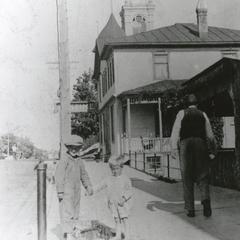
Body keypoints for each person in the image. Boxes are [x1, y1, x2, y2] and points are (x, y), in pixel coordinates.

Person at [170, 94, 217, 218]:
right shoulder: (203, 114)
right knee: (203, 175)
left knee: (187, 177)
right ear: (197, 104)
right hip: (200, 144)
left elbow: (175, 131)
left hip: (186, 145)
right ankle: (206, 201)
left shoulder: (181, 113)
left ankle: (190, 209)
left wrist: (174, 148)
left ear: (186, 104)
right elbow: (210, 134)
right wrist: (212, 150)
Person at [55, 137, 93, 240]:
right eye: (72, 147)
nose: (74, 150)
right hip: (66, 191)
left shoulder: (79, 160)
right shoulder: (64, 159)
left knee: (76, 210)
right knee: (67, 212)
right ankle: (67, 233)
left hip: (76, 190)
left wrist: (88, 185)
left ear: (80, 148)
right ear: (68, 147)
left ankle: (73, 229)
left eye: (77, 148)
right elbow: (59, 176)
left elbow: (84, 174)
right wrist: (60, 191)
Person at [92, 155, 133, 240]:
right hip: (113, 204)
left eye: (117, 169)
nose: (115, 171)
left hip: (122, 204)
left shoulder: (125, 179)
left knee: (125, 219)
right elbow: (100, 185)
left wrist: (124, 198)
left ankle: (127, 236)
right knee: (117, 220)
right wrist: (91, 190)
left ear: (121, 168)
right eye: (112, 169)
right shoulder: (109, 178)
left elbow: (129, 191)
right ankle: (118, 235)